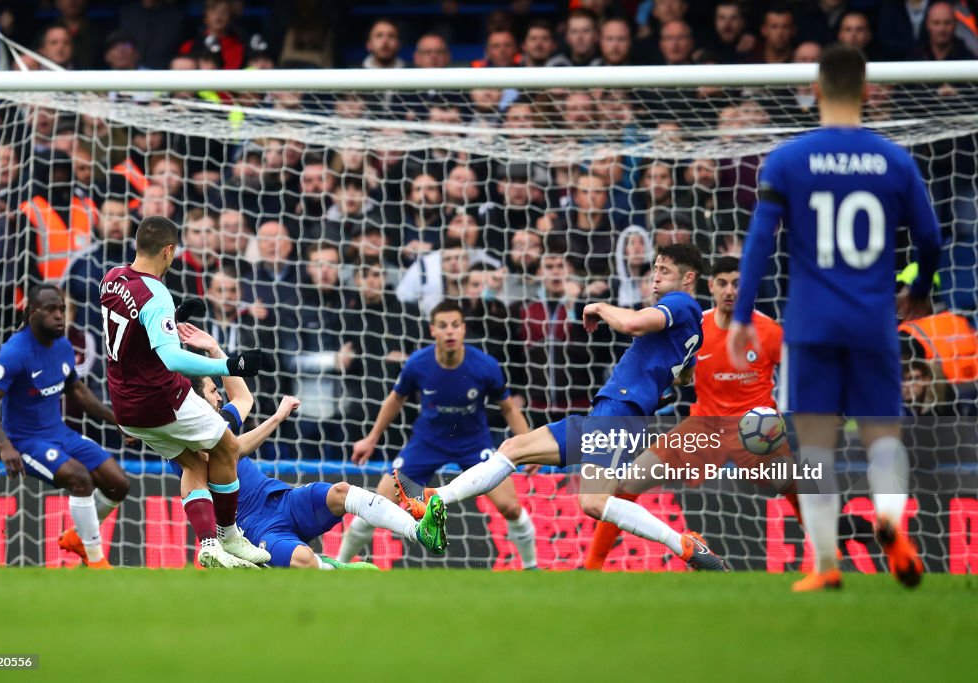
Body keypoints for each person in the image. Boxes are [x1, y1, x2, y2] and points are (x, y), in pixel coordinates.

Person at [728, 45, 943, 591]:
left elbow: (759, 241)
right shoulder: (894, 159)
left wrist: (741, 314)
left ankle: (825, 565)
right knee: (881, 435)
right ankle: (892, 521)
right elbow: (931, 238)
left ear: (817, 91)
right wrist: (917, 290)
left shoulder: (788, 160)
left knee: (818, 443)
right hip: (873, 320)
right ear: (868, 92)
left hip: (811, 324)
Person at [395, 244, 728, 571]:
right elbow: (685, 375)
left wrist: (599, 306)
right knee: (514, 447)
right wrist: (658, 381)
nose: (655, 276)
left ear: (689, 279)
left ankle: (682, 545)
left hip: (620, 412)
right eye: (655, 268)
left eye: (665, 271)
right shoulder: (695, 330)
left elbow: (634, 325)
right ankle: (434, 496)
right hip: (609, 410)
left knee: (594, 502)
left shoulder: (681, 303)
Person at [173, 322, 447, 568]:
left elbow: (243, 398)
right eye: (212, 391)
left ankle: (418, 530)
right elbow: (232, 450)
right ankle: (333, 568)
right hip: (251, 528)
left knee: (341, 492)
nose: (219, 397)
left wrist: (214, 349)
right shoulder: (185, 440)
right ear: (197, 400)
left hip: (281, 499)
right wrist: (277, 418)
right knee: (303, 560)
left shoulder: (220, 421)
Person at [584, 256, 793, 570]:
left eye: (737, 283)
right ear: (710, 285)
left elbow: (797, 379)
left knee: (799, 485)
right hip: (704, 429)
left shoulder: (769, 331)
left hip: (754, 431)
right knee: (627, 483)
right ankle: (592, 567)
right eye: (722, 283)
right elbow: (682, 371)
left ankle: (823, 566)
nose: (730, 290)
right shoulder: (698, 326)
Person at [99, 215, 269, 569]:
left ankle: (208, 544)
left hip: (126, 407)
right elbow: (172, 358)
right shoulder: (155, 292)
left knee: (192, 461)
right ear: (169, 250)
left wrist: (171, 319)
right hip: (161, 399)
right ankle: (229, 535)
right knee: (227, 447)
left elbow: (135, 333)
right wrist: (229, 366)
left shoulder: (112, 278)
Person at [337, 300, 538, 569]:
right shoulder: (418, 364)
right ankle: (337, 564)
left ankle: (531, 567)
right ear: (433, 330)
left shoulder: (486, 366)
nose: (450, 332)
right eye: (443, 326)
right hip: (427, 444)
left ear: (464, 329)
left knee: (511, 508)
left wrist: (529, 445)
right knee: (376, 505)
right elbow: (395, 399)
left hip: (473, 445)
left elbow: (509, 409)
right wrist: (371, 438)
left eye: (455, 325)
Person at [0, 285, 130, 568]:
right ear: (32, 313)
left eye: (62, 309)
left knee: (118, 484)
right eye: (51, 310)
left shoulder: (62, 346)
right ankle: (96, 562)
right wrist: (5, 446)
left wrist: (116, 420)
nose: (60, 316)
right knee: (80, 478)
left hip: (59, 433)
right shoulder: (15, 352)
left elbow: (77, 391)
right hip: (25, 442)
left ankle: (78, 536)